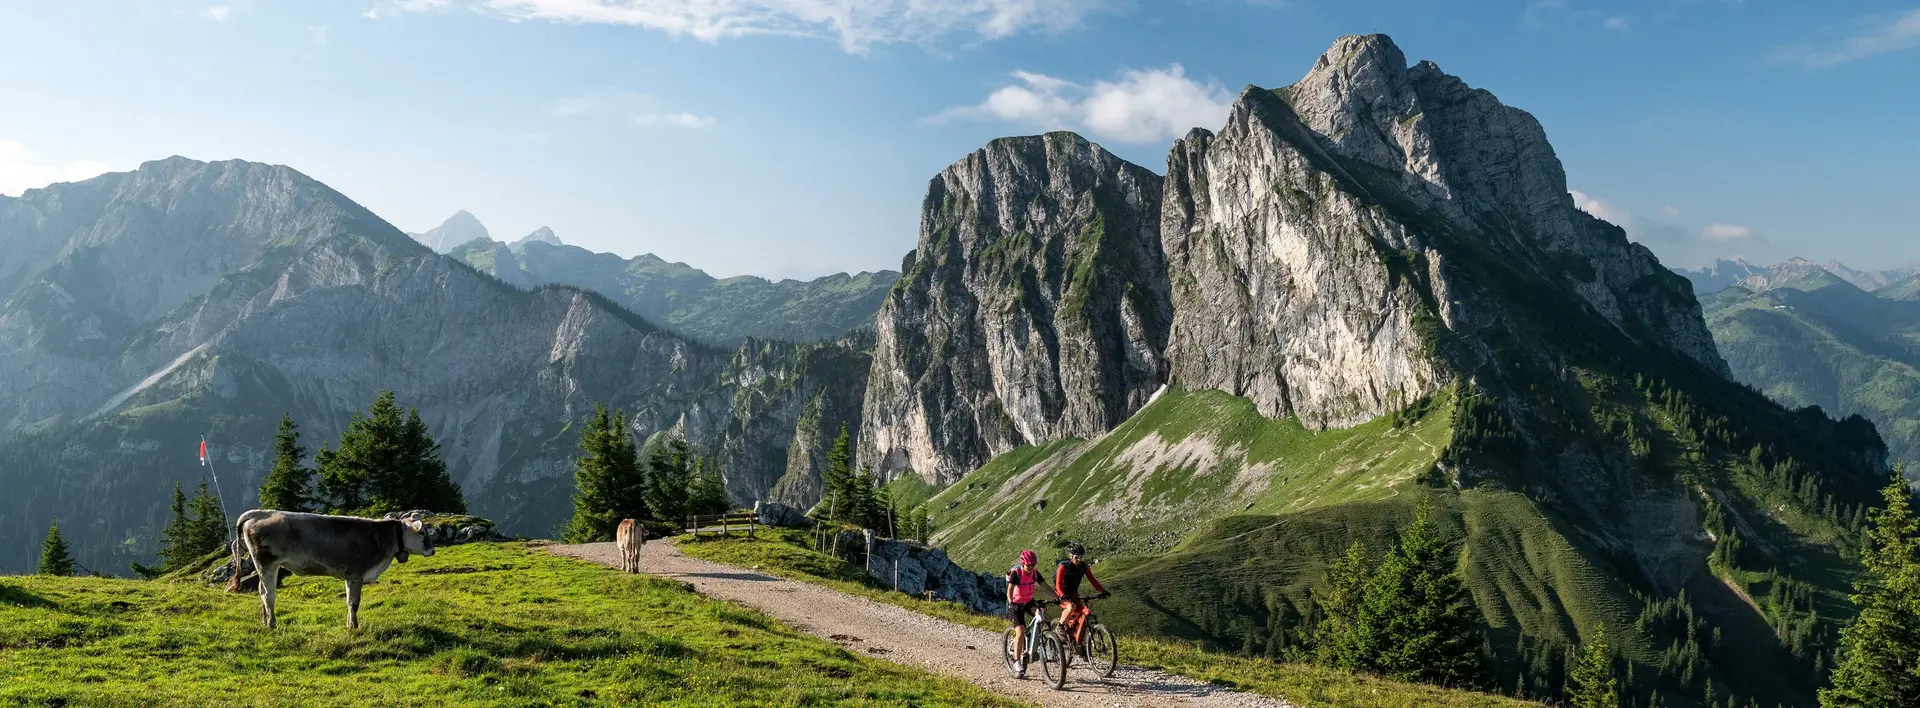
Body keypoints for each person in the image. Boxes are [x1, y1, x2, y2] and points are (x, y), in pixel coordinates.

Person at [1005, 549, 1056, 678]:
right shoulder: (1016, 573)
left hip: (1028, 602)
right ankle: (1016, 661)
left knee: (1041, 614)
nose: (1031, 567)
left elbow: (1045, 586)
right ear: (1023, 563)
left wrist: (1056, 597)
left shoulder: (1034, 573)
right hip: (1015, 605)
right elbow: (1009, 590)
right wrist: (1011, 602)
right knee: (1020, 632)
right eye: (1028, 565)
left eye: (1033, 565)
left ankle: (1036, 642)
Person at [1054, 542, 1109, 653]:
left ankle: (1081, 645)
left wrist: (1102, 591)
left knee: (1085, 612)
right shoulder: (1063, 566)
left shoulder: (1083, 566)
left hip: (1074, 594)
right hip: (1061, 593)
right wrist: (1063, 596)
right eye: (1076, 557)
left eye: (1081, 557)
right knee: (1071, 607)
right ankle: (1059, 626)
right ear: (1070, 556)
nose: (1079, 560)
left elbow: (1093, 580)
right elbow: (1058, 585)